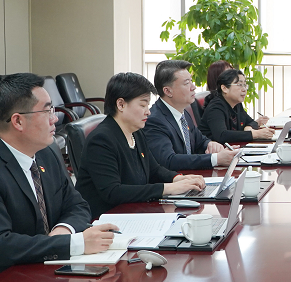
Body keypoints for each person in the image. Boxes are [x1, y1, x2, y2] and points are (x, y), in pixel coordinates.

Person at [0, 73, 117, 282]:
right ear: (18, 121)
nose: (55, 118)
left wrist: (63, 231)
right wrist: (74, 243)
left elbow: (77, 205)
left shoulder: (46, 153)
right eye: (47, 111)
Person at [75, 73, 206, 218]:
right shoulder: (101, 140)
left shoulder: (136, 132)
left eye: (148, 105)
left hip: (134, 211)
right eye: (143, 105)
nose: (148, 112)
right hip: (105, 219)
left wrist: (178, 178)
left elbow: (154, 169)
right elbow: (113, 192)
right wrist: (168, 188)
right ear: (121, 104)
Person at [142, 60, 238, 171]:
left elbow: (200, 140)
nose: (193, 87)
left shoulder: (183, 113)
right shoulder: (154, 121)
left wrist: (210, 144)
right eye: (187, 83)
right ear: (168, 91)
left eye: (191, 81)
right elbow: (168, 160)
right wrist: (215, 159)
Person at [198, 69, 273, 144]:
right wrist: (255, 134)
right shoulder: (215, 108)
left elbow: (250, 122)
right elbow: (222, 135)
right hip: (213, 150)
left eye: (245, 85)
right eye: (239, 85)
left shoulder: (236, 104)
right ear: (224, 88)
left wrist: (248, 127)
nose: (244, 89)